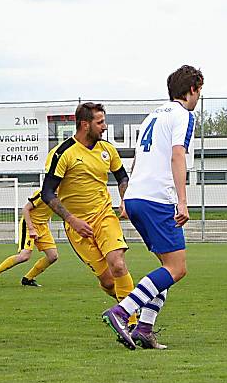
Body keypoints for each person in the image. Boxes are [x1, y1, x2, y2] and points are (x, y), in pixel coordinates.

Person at [102, 65, 203, 350]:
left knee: (165, 268)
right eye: (199, 91)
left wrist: (127, 198)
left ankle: (144, 329)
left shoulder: (153, 116)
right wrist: (182, 200)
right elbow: (177, 155)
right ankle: (122, 312)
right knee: (176, 268)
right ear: (192, 89)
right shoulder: (184, 115)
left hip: (137, 197)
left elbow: (137, 159)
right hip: (157, 199)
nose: (199, 97)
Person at [40, 102, 136, 338]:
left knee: (118, 264)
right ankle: (127, 307)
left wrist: (125, 200)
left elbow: (122, 176)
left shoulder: (107, 150)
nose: (104, 127)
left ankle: (133, 323)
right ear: (85, 124)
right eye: (100, 122)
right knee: (107, 282)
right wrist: (72, 220)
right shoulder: (63, 153)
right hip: (78, 228)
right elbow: (47, 192)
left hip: (105, 216)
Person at [0, 189, 58, 288]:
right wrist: (31, 229)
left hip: (43, 226)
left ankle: (28, 279)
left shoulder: (62, 194)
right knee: (24, 256)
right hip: (29, 225)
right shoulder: (43, 193)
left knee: (52, 256)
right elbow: (25, 209)